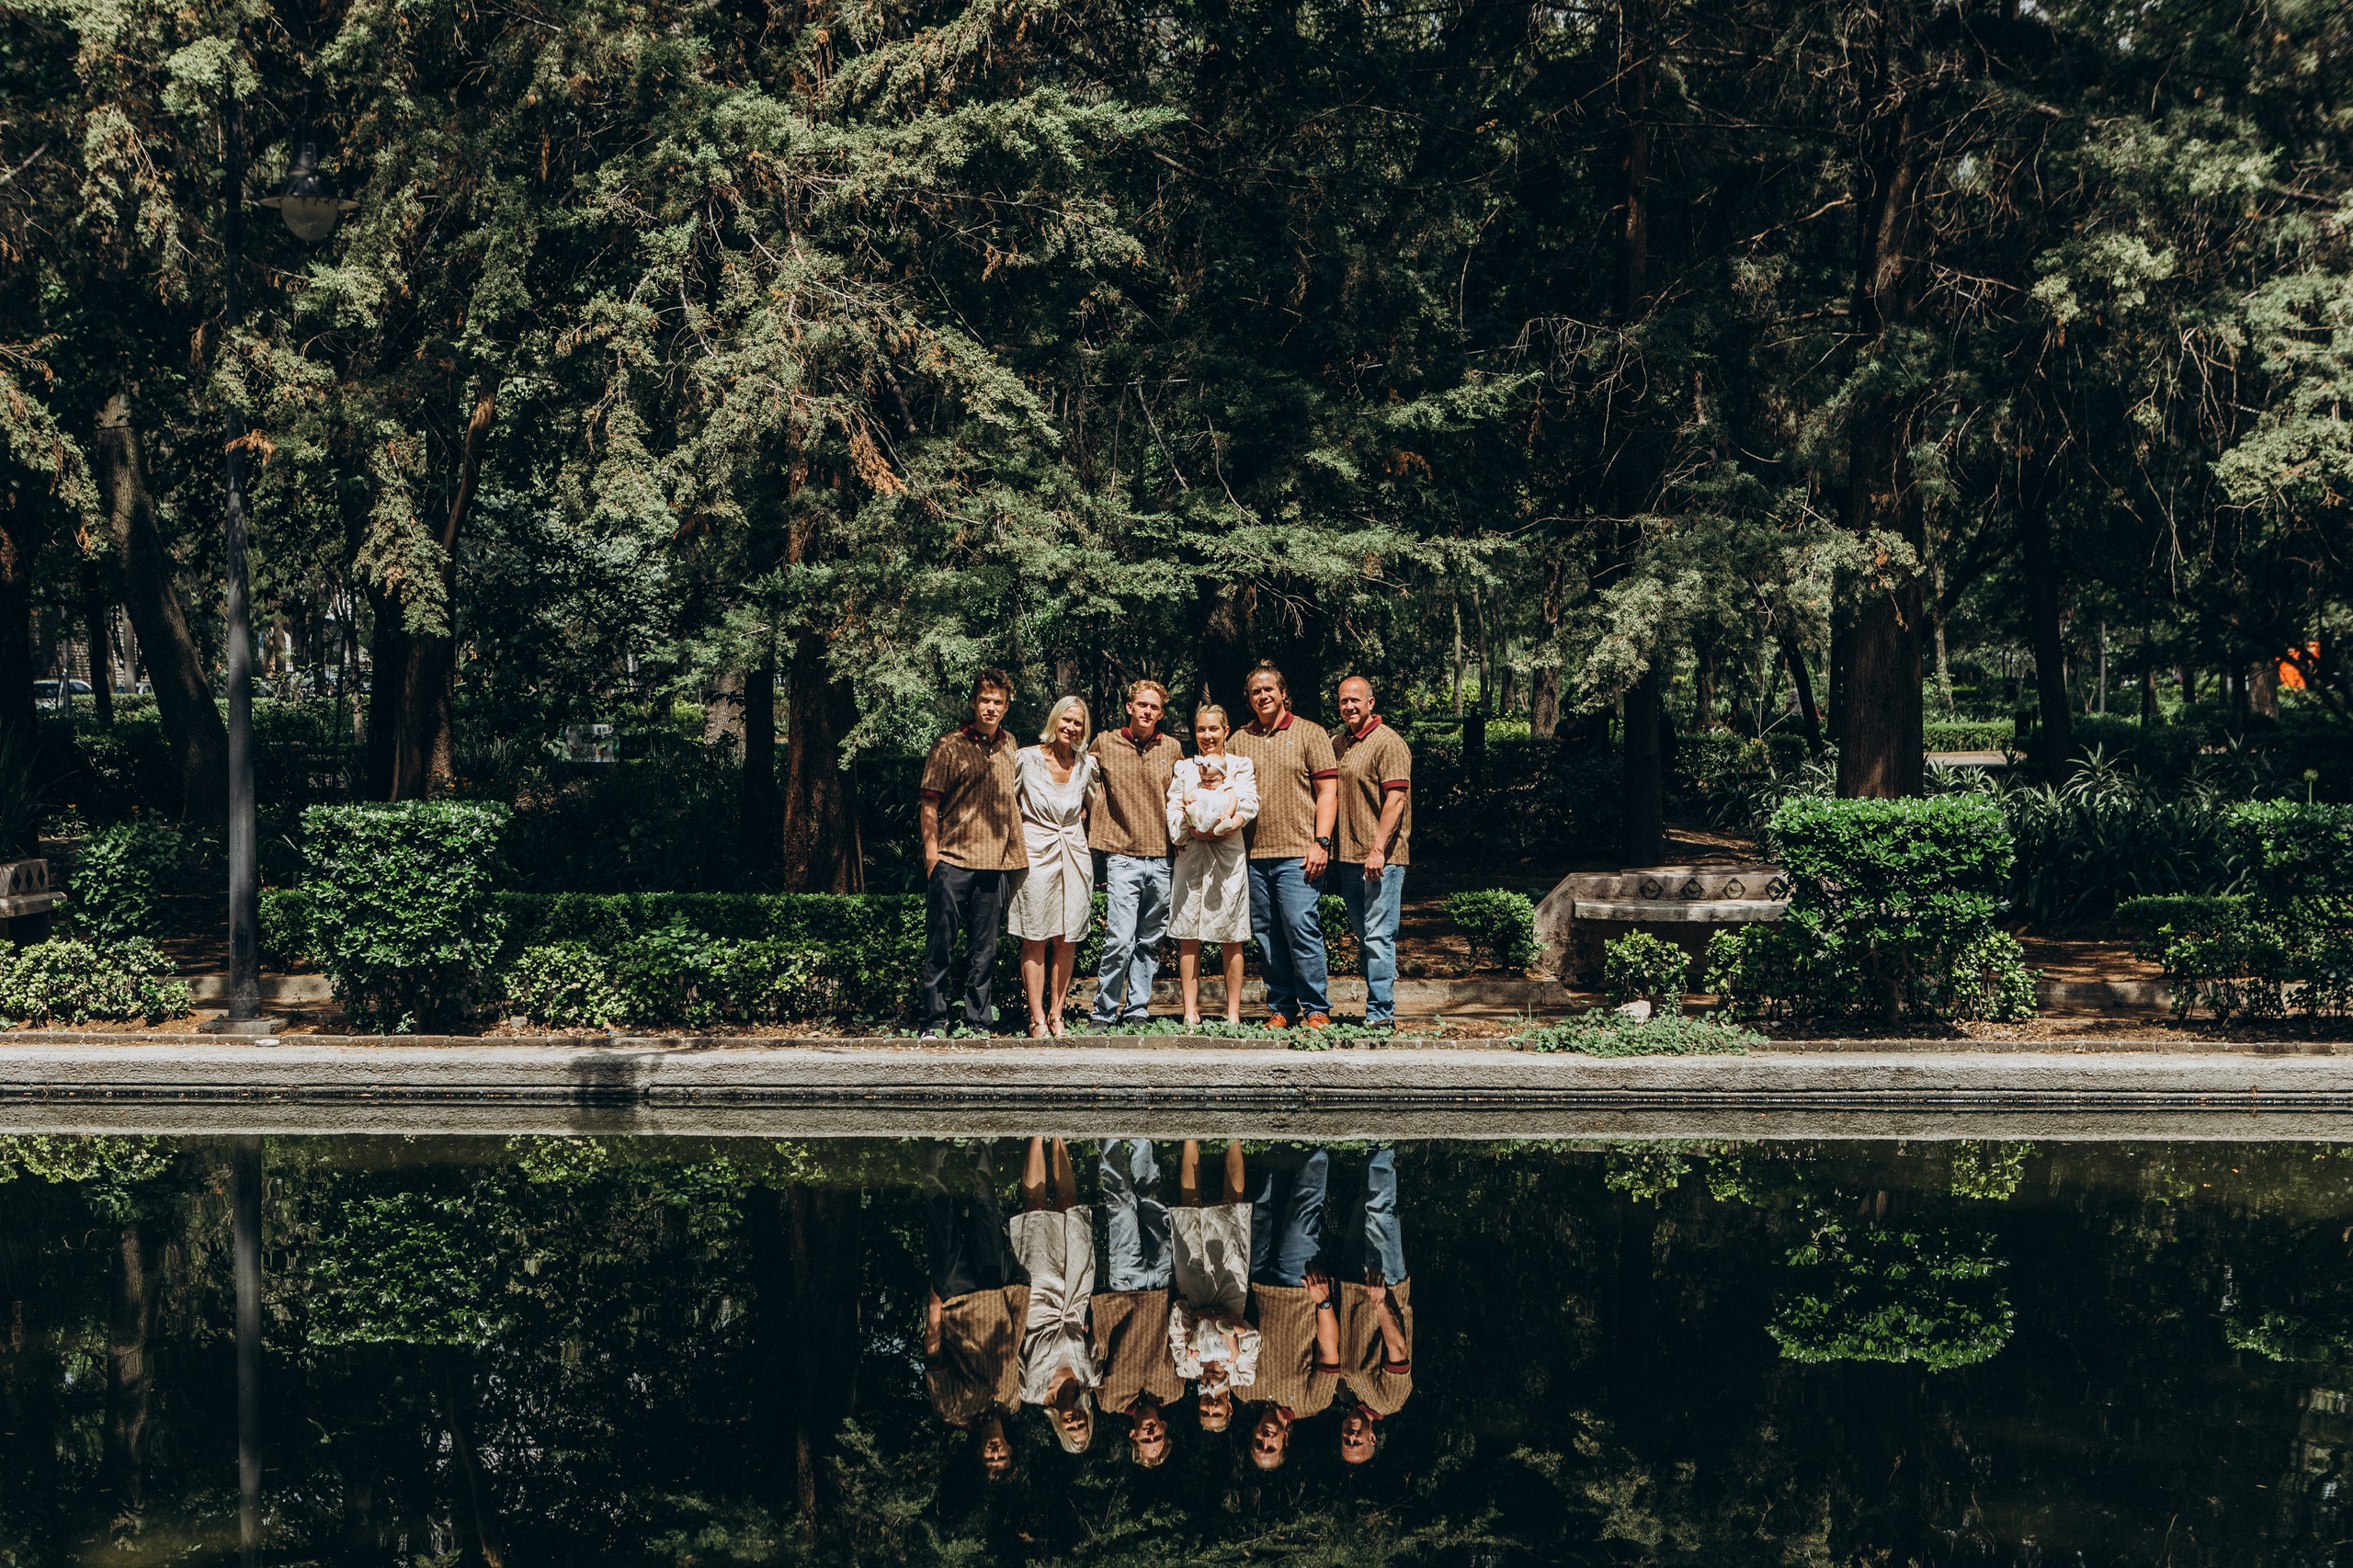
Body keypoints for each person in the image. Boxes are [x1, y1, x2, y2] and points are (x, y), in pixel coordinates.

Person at [1227, 662, 1338, 1030]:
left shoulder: (1311, 733)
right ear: (1250, 698)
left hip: (1298, 853)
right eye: (1256, 691)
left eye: (1269, 689)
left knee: (1300, 926)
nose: (1263, 696)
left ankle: (1316, 1008)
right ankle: (1282, 1008)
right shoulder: (1238, 741)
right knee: (1267, 932)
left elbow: (1327, 793)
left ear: (1283, 693)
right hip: (1253, 854)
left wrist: (1321, 842)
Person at [918, 671, 1028, 1039]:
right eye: (985, 700)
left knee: (985, 951)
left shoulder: (1010, 744)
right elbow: (929, 804)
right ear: (974, 703)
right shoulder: (947, 746)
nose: (991, 707)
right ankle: (934, 1020)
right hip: (952, 861)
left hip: (994, 866)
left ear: (1006, 707)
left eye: (998, 701)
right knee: (940, 945)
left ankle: (978, 1021)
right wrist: (933, 858)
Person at [921, 1142, 1027, 1481]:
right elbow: (1016, 1342)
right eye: (1001, 1457)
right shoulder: (1014, 1403)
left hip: (956, 1298)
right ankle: (976, 1145)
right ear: (1010, 1449)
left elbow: (934, 1355)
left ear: (980, 1453)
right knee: (985, 1208)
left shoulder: (951, 1411)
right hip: (995, 1290)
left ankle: (934, 1149)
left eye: (989, 1459)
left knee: (943, 1221)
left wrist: (935, 1308)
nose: (995, 1453)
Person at [1086, 681, 1186, 1029]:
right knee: (1119, 938)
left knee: (1150, 940)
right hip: (1122, 855)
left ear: (1161, 713)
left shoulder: (1172, 748)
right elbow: (1078, 777)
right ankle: (1103, 1010)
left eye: (1154, 707)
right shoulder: (1105, 742)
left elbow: (1182, 795)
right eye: (1141, 705)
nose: (1147, 711)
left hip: (1162, 857)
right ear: (1129, 707)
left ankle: (1137, 1008)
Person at [1008, 696, 1099, 1038]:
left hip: (1074, 852)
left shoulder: (1087, 764)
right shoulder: (1027, 759)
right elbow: (1006, 803)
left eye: (1077, 722)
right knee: (1035, 934)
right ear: (1054, 721)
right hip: (1035, 851)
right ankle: (1037, 1019)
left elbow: (1099, 807)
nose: (1071, 727)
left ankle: (1057, 1014)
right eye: (1066, 720)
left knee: (1067, 936)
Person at [1092, 1139, 1185, 1467]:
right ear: (1163, 1427)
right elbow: (1180, 1342)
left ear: (1133, 1436)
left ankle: (1108, 1140)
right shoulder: (1174, 1391)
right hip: (1161, 1286)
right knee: (1152, 1203)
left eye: (1146, 1440)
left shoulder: (1109, 1400)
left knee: (1119, 1207)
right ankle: (1140, 1140)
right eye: (1156, 1437)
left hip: (1124, 1288)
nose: (1150, 1434)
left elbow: (1096, 1352)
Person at [1166, 706, 1259, 1028]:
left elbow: (1248, 801)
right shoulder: (1184, 768)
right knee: (1188, 932)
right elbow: (1174, 805)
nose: (1207, 736)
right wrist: (1182, 832)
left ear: (1226, 730)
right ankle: (1190, 1011)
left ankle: (1232, 1012)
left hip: (1227, 854)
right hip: (1191, 855)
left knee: (1231, 933)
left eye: (1213, 729)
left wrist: (1232, 822)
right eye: (1201, 730)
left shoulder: (1239, 766)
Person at [1331, 676, 1414, 1032]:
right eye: (1343, 701)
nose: (1349, 706)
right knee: (1364, 936)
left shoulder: (1388, 743)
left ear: (1371, 702)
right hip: (1349, 858)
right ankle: (1376, 1003)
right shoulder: (1339, 743)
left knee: (1379, 936)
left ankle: (1381, 1013)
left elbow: (1396, 800)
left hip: (1382, 859)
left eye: (1355, 700)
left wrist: (1378, 849)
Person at [1010, 1136, 1100, 1453]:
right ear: (1088, 1417)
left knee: (1035, 1213)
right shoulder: (1091, 1380)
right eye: (1082, 1424)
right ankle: (1059, 1133)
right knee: (1069, 1209)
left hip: (1039, 1304)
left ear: (1060, 1428)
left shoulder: (1031, 1392)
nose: (1075, 1421)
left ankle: (1036, 1135)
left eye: (1071, 1429)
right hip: (1076, 1298)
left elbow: (1013, 1351)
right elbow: (1096, 1341)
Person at [1168, 1138, 1259, 1430]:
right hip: (1232, 1287)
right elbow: (1252, 1338)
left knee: (1188, 1211)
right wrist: (1214, 1318)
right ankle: (1233, 1137)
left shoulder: (1186, 1367)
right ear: (1228, 1407)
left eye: (1205, 1413)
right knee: (1233, 1209)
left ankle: (1191, 1136)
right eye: (1217, 1412)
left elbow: (1177, 1319)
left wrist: (1204, 1317)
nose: (1210, 1407)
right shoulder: (1243, 1374)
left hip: (1192, 1286)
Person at [1336, 1146, 1413, 1463]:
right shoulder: (1390, 1401)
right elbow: (1397, 1349)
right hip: (1385, 1287)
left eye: (1345, 1439)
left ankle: (1371, 1146)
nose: (1352, 1435)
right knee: (1381, 1211)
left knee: (1363, 1206)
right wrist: (1381, 1303)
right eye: (1358, 1441)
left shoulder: (1342, 1393)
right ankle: (1383, 1140)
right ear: (1372, 1438)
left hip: (1352, 1288)